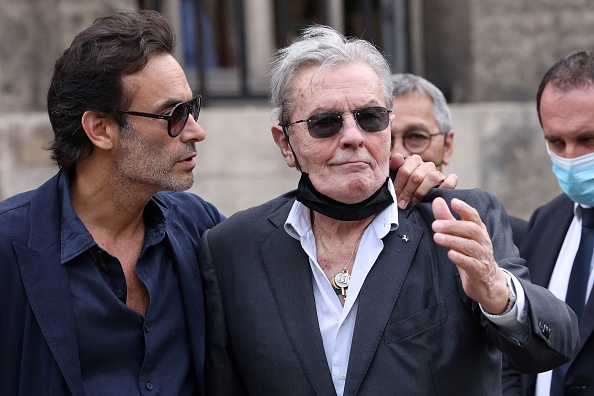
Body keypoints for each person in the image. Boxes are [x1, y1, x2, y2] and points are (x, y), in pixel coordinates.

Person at [0, 10, 458, 396]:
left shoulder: (200, 231)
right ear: (100, 129)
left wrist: (402, 188)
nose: (197, 131)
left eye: (192, 109)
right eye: (174, 115)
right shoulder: (12, 247)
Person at [198, 25, 579, 396]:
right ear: (285, 143)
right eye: (325, 123)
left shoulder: (456, 219)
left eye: (370, 117)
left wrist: (498, 291)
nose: (352, 136)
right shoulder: (234, 248)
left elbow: (554, 345)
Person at [502, 50, 594, 395]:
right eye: (556, 141)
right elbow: (515, 347)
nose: (570, 157)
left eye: (588, 139)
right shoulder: (545, 222)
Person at [390, 73, 528, 248]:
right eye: (387, 137)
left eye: (417, 136)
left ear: (447, 146)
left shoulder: (512, 238)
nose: (399, 153)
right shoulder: (351, 236)